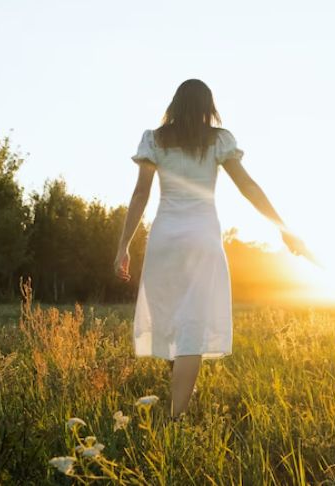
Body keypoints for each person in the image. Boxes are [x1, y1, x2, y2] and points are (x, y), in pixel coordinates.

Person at [114, 79, 306, 419]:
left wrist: (123, 247)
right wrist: (283, 228)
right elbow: (248, 186)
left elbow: (140, 194)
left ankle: (178, 398)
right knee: (192, 325)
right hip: (202, 239)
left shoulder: (154, 140)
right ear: (208, 108)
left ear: (174, 105)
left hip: (165, 240)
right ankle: (176, 416)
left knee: (173, 319)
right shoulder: (218, 141)